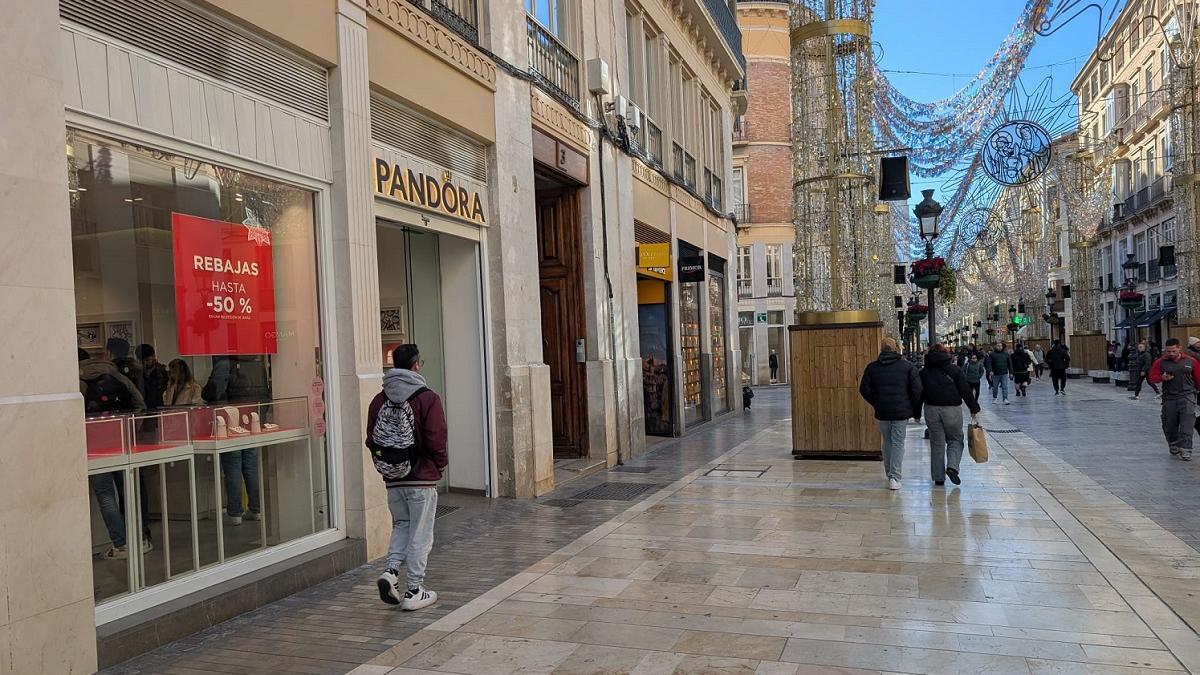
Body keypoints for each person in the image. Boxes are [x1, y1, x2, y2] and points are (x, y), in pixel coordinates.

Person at [369, 344, 448, 611]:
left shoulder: (379, 399)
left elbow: (371, 439)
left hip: (393, 479)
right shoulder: (427, 398)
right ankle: (414, 589)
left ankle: (391, 572)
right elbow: (436, 439)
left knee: (402, 525)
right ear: (416, 365)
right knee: (420, 533)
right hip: (421, 478)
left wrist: (388, 466)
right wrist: (439, 466)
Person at [79, 347, 151, 559]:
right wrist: (129, 430)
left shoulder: (78, 383)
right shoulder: (116, 375)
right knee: (128, 490)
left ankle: (121, 544)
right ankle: (139, 539)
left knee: (105, 494)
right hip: (121, 441)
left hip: (94, 446)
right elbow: (140, 404)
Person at [203, 356, 269, 525]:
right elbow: (265, 393)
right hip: (251, 420)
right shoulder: (255, 363)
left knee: (233, 466)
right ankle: (256, 508)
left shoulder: (224, 365)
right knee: (250, 465)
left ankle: (235, 512)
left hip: (230, 419)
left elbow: (213, 391)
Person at [858, 337, 922, 491]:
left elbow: (864, 390)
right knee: (898, 442)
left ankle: (890, 474)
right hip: (901, 412)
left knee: (887, 442)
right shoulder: (907, 367)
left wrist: (877, 402)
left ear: (881, 349)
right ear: (896, 348)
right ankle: (895, 477)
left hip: (882, 411)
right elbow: (917, 390)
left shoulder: (872, 367)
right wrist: (914, 409)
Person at [920, 344, 981, 487]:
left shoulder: (923, 372)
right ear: (946, 354)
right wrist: (973, 407)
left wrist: (916, 412)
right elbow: (965, 390)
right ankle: (952, 467)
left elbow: (919, 393)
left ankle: (938, 477)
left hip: (931, 409)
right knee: (955, 439)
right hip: (952, 409)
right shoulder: (955, 370)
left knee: (936, 443)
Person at [1148, 338, 1200, 461]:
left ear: (1179, 348)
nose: (1170, 354)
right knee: (1169, 424)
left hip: (1187, 396)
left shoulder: (1191, 361)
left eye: (1173, 351)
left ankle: (1186, 449)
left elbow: (1198, 378)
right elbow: (1152, 378)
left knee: (1187, 424)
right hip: (1169, 397)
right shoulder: (1160, 362)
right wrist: (1162, 377)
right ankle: (1173, 443)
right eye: (1168, 351)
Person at [135, 343, 169, 410]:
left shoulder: (162, 374)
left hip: (158, 410)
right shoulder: (138, 375)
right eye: (142, 361)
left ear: (153, 357)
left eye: (147, 360)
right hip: (145, 411)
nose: (144, 363)